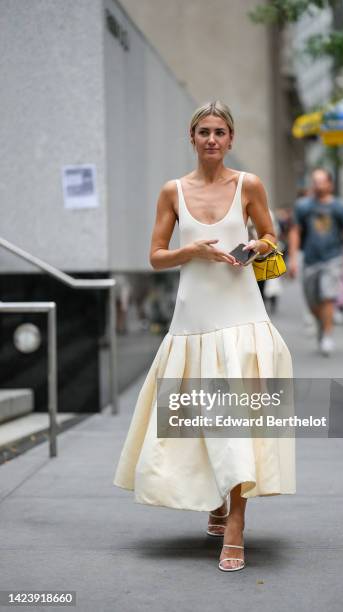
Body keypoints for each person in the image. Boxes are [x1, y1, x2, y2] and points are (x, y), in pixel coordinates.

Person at [113, 100, 295, 572]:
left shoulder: (248, 184)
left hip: (242, 321)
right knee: (196, 421)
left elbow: (272, 236)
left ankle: (234, 526)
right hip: (192, 324)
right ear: (191, 138)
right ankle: (217, 498)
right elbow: (155, 255)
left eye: (219, 132)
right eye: (203, 132)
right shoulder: (172, 191)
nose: (211, 139)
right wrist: (188, 251)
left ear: (230, 139)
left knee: (238, 423)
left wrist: (259, 244)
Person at [288, 168, 343, 356]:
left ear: (330, 184)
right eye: (315, 181)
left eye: (322, 181)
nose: (318, 185)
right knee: (312, 302)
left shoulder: (339, 208)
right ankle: (322, 324)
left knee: (328, 296)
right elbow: (295, 231)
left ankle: (327, 335)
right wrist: (293, 259)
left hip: (332, 259)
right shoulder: (303, 206)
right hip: (310, 260)